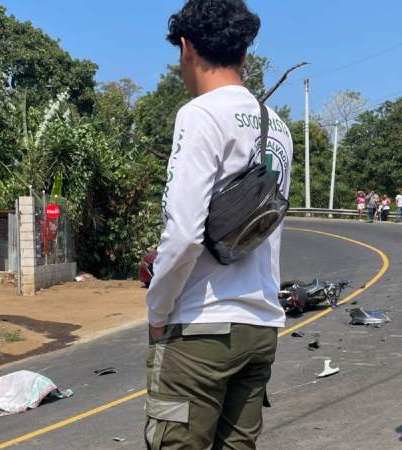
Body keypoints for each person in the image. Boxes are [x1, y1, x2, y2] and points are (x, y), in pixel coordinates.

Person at [144, 1, 293, 448]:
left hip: (201, 325)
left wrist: (158, 313)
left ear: (186, 47)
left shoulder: (200, 114)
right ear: (244, 54)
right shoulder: (277, 126)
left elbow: (184, 234)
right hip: (260, 325)